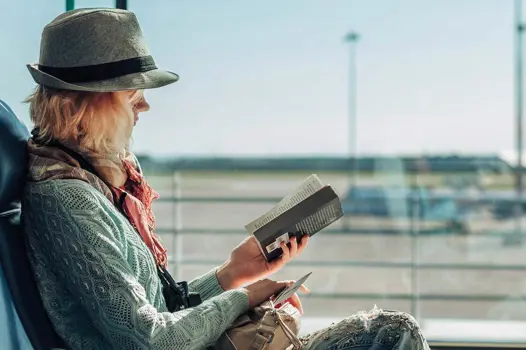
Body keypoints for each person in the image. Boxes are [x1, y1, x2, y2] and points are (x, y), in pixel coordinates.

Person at [20, 8, 430, 350]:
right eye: (132, 95)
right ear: (86, 105)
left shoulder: (94, 183)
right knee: (393, 334)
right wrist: (242, 297)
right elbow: (151, 340)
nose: (144, 106)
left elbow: (162, 310)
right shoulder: (67, 201)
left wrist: (233, 271)